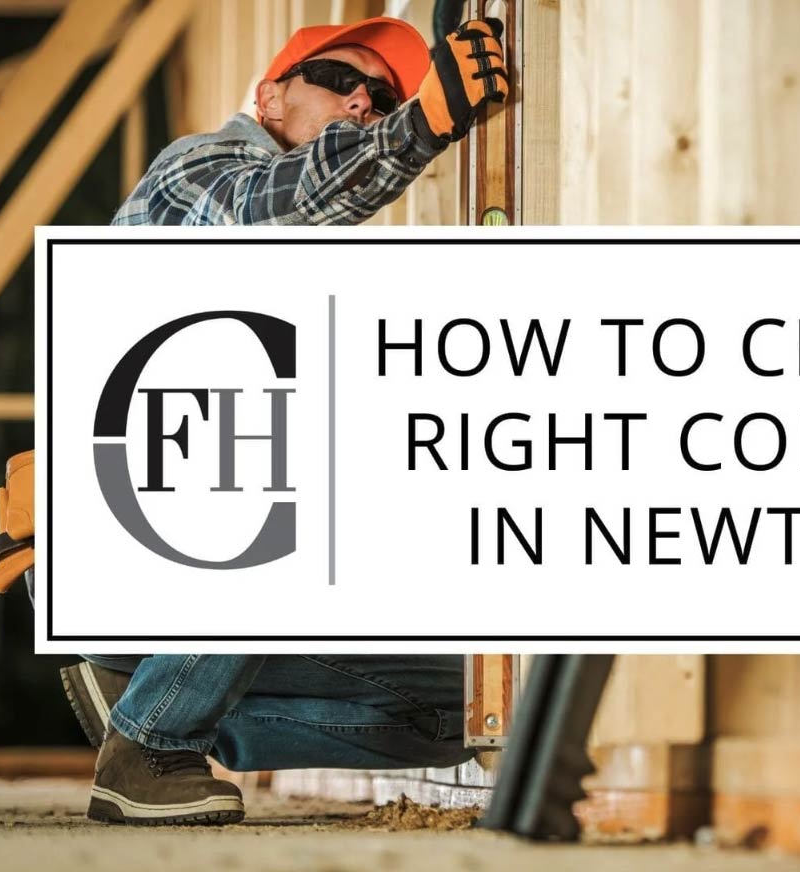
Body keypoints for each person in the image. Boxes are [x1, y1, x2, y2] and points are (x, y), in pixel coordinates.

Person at [70, 15, 509, 826]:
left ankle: (147, 694)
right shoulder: (196, 168)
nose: (364, 104)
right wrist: (418, 126)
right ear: (269, 95)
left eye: (384, 97)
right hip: (148, 531)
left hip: (187, 579)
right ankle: (149, 744)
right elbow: (258, 211)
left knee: (465, 699)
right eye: (343, 80)